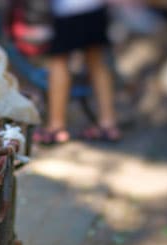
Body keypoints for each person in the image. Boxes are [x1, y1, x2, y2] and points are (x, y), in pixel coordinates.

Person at [35, 0, 122, 144]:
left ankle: (56, 127)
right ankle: (108, 123)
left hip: (67, 10)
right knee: (97, 61)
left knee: (59, 61)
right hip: (94, 8)